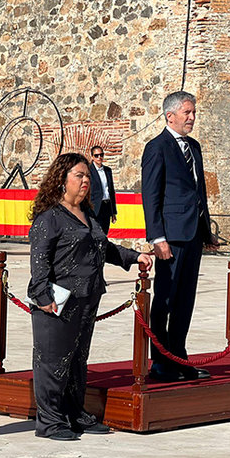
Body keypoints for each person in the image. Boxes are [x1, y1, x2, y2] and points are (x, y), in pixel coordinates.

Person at [28, 153, 152, 440]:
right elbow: (39, 264)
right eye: (79, 176)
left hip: (88, 296)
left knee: (76, 360)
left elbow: (104, 248)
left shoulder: (88, 215)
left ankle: (74, 412)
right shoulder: (50, 219)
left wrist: (136, 257)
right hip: (57, 301)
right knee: (53, 362)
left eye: (87, 176)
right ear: (62, 180)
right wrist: (43, 297)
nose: (85, 181)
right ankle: (49, 421)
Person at [141, 91, 218, 382]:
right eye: (187, 112)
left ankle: (179, 356)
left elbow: (199, 192)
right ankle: (160, 361)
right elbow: (151, 196)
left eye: (194, 112)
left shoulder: (194, 147)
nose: (192, 117)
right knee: (166, 298)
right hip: (170, 237)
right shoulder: (157, 147)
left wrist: (206, 231)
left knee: (186, 299)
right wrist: (157, 238)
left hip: (193, 234)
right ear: (170, 115)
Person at [88, 145, 117, 234]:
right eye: (96, 155)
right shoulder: (88, 171)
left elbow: (111, 191)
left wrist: (113, 212)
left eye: (101, 155)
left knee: (105, 233)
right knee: (96, 234)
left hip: (106, 206)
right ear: (92, 157)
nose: (99, 157)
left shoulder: (108, 170)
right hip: (95, 208)